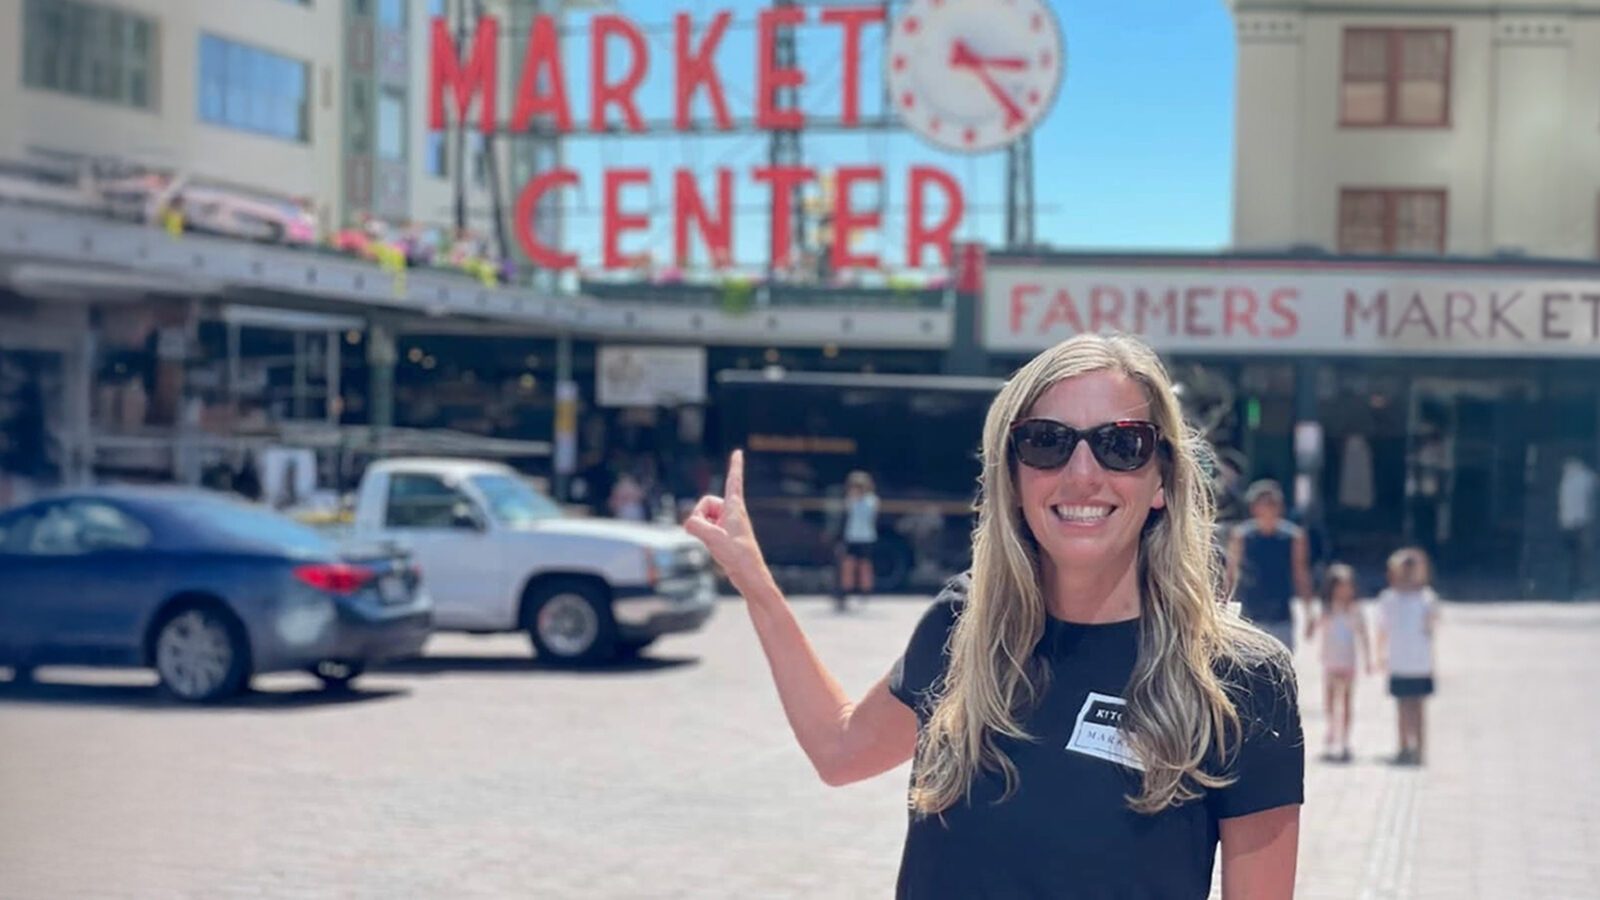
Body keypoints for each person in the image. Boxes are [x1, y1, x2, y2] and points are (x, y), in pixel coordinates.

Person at [685, 334, 1302, 898]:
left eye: (1121, 446)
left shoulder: (1241, 679)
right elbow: (841, 751)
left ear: (1162, 479)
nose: (1082, 475)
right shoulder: (966, 625)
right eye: (1047, 443)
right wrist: (753, 580)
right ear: (1012, 475)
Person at [1226, 480, 1314, 652]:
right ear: (1254, 508)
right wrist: (1223, 605)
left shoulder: (1293, 538)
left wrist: (1308, 610)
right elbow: (1231, 574)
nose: (1268, 509)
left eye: (1272, 504)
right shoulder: (1241, 536)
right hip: (1250, 615)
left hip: (1281, 615)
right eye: (1264, 504)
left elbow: (1301, 573)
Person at [1377, 547, 1439, 767]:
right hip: (1399, 660)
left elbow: (1431, 626)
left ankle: (1420, 748)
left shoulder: (1427, 598)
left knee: (1419, 708)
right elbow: (1382, 629)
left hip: (1419, 662)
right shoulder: (1389, 599)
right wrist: (1380, 654)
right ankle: (1404, 746)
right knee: (1402, 706)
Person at [1305, 563, 1373, 763]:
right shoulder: (1327, 610)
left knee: (1346, 702)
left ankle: (1345, 740)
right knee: (1330, 701)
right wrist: (1312, 621)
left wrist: (1368, 659)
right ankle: (1331, 734)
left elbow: (1363, 635)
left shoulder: (1355, 611)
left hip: (1348, 662)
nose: (1344, 591)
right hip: (1330, 662)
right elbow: (1312, 632)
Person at [835, 470, 880, 612]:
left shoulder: (871, 501)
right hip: (851, 537)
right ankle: (844, 594)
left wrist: (858, 500)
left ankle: (865, 593)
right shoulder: (849, 500)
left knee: (864, 566)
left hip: (866, 538)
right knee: (848, 566)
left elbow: (870, 514)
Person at [1558, 457, 1596, 599]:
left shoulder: (1565, 480)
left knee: (1570, 556)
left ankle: (1570, 585)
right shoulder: (1586, 477)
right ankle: (1581, 583)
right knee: (1583, 555)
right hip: (1582, 523)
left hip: (1566, 523)